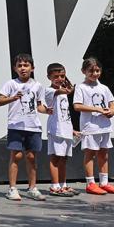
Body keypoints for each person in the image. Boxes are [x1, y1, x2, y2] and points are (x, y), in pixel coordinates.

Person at [0, 53, 45, 202]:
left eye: (26, 65)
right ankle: (12, 189)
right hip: (15, 125)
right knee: (16, 156)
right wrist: (13, 97)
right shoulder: (11, 84)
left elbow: (40, 106)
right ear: (15, 68)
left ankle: (32, 188)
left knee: (31, 157)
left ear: (32, 68)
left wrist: (47, 110)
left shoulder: (38, 86)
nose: (23, 68)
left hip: (33, 126)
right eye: (19, 66)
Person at [73, 57, 114, 195]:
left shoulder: (104, 88)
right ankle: (90, 183)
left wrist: (111, 112)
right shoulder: (81, 87)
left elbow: (112, 105)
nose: (94, 73)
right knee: (90, 154)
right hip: (90, 126)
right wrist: (97, 109)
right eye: (91, 71)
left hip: (104, 126)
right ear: (84, 71)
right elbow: (77, 106)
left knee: (104, 154)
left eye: (97, 70)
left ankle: (104, 183)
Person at [37, 62, 79, 197]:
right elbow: (67, 89)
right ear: (49, 77)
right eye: (56, 76)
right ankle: (54, 186)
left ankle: (63, 184)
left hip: (66, 129)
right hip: (56, 130)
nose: (60, 79)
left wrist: (71, 129)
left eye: (62, 76)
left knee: (64, 159)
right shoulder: (50, 91)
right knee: (55, 158)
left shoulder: (63, 93)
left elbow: (65, 113)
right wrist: (67, 84)